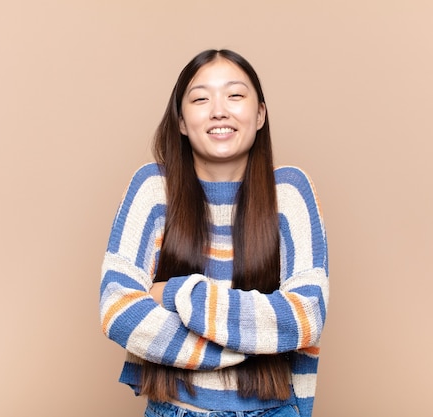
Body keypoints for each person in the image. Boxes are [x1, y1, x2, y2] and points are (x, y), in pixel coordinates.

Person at [100, 49, 329, 417]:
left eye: (235, 95)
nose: (218, 110)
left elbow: (305, 318)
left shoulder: (289, 192)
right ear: (180, 121)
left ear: (259, 115)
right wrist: (259, 342)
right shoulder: (154, 187)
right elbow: (119, 310)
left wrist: (178, 292)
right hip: (175, 409)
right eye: (201, 98)